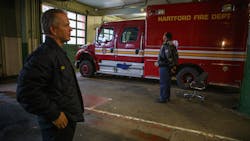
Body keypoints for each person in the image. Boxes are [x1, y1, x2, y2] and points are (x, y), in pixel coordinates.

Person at [16, 9, 84, 141]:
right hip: (57, 123)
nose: (71, 29)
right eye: (66, 25)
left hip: (67, 118)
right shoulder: (43, 56)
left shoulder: (57, 53)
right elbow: (26, 92)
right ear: (53, 30)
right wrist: (54, 114)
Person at [155, 32, 178, 103]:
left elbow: (169, 58)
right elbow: (176, 57)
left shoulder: (166, 45)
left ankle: (163, 98)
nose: (162, 37)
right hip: (168, 67)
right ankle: (167, 97)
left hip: (164, 67)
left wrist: (158, 63)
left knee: (163, 83)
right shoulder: (172, 45)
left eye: (163, 35)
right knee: (167, 83)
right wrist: (173, 67)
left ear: (166, 37)